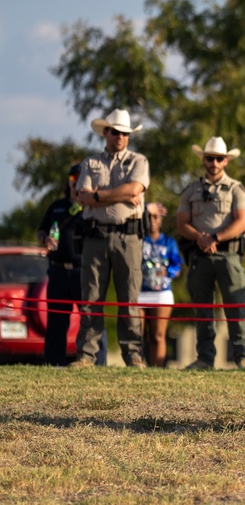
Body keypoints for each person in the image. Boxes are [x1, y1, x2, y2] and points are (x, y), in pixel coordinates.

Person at [70, 109, 149, 369]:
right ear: (106, 132)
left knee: (129, 298)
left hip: (128, 237)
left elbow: (135, 189)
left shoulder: (139, 161)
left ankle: (133, 355)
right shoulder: (90, 163)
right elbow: (82, 196)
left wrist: (99, 195)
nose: (120, 137)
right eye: (115, 132)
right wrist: (121, 195)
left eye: (125, 133)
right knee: (92, 296)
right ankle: (87, 355)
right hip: (96, 236)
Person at [177, 137, 245, 370]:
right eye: (210, 158)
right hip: (200, 255)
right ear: (204, 160)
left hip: (228, 255)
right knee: (203, 309)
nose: (215, 163)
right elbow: (181, 223)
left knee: (236, 306)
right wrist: (201, 238)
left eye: (219, 158)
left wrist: (215, 238)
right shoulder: (191, 190)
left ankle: (243, 357)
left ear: (226, 160)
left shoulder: (236, 189)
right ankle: (205, 358)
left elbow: (242, 222)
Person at [36, 164, 107, 366]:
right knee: (57, 321)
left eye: (82, 177)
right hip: (58, 269)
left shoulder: (93, 208)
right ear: (69, 181)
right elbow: (41, 230)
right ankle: (53, 364)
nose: (77, 181)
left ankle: (97, 363)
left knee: (91, 319)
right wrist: (45, 239)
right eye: (74, 177)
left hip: (83, 271)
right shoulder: (56, 206)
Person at [137, 202, 183, 367]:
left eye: (156, 217)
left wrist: (168, 271)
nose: (152, 221)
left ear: (161, 219)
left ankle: (158, 368)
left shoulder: (169, 242)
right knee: (138, 334)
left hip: (161, 292)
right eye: (149, 217)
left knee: (158, 335)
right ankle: (137, 367)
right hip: (140, 291)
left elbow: (177, 265)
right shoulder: (138, 239)